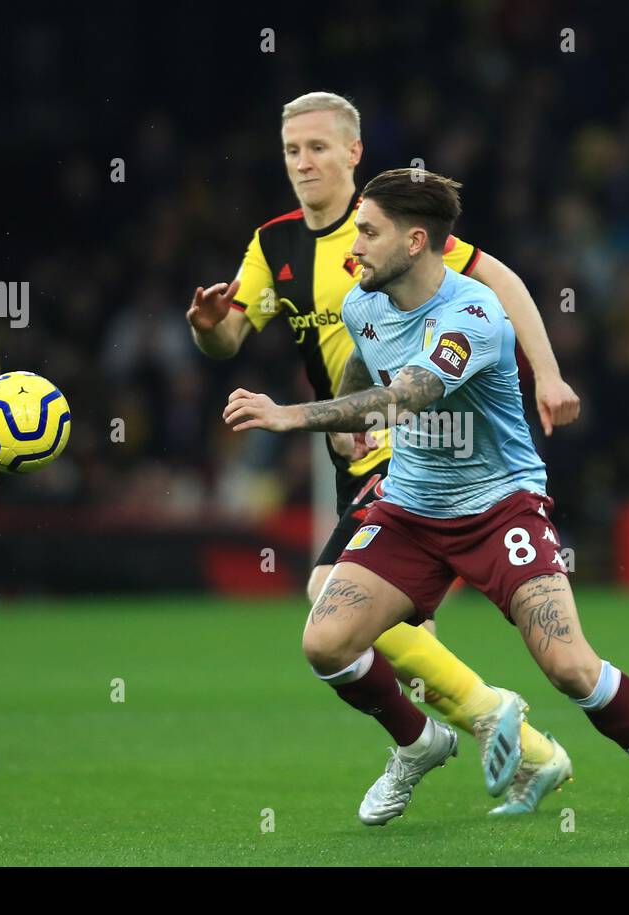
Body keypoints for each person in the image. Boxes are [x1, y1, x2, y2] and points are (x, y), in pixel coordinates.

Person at [223, 169, 629, 835]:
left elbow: (409, 395)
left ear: (415, 241)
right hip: (409, 512)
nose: (355, 247)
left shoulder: (474, 316)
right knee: (326, 641)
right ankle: (420, 742)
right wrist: (347, 421)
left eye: (368, 233)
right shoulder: (362, 303)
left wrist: (294, 416)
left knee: (571, 670)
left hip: (500, 510)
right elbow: (364, 368)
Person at [190, 92, 580, 811]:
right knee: (403, 636)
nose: (303, 162)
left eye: (317, 148)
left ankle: (462, 736)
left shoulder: (390, 229)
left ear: (352, 154)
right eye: (291, 151)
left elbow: (506, 284)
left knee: (326, 598)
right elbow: (227, 340)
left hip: (413, 449)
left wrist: (549, 373)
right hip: (349, 451)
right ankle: (512, 755)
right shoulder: (273, 245)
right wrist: (209, 327)